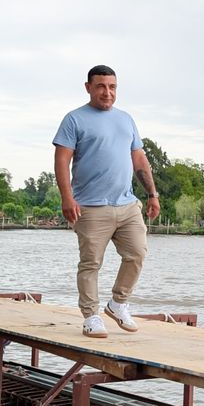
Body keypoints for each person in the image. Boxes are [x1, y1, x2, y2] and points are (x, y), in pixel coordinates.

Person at [54, 65, 160, 338]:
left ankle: (118, 303)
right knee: (91, 263)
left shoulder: (126, 119)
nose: (107, 92)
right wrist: (67, 197)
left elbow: (139, 158)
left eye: (112, 87)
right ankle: (91, 316)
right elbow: (62, 160)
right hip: (90, 207)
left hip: (127, 204)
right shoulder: (74, 119)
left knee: (137, 253)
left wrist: (152, 193)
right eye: (101, 86)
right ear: (88, 87)